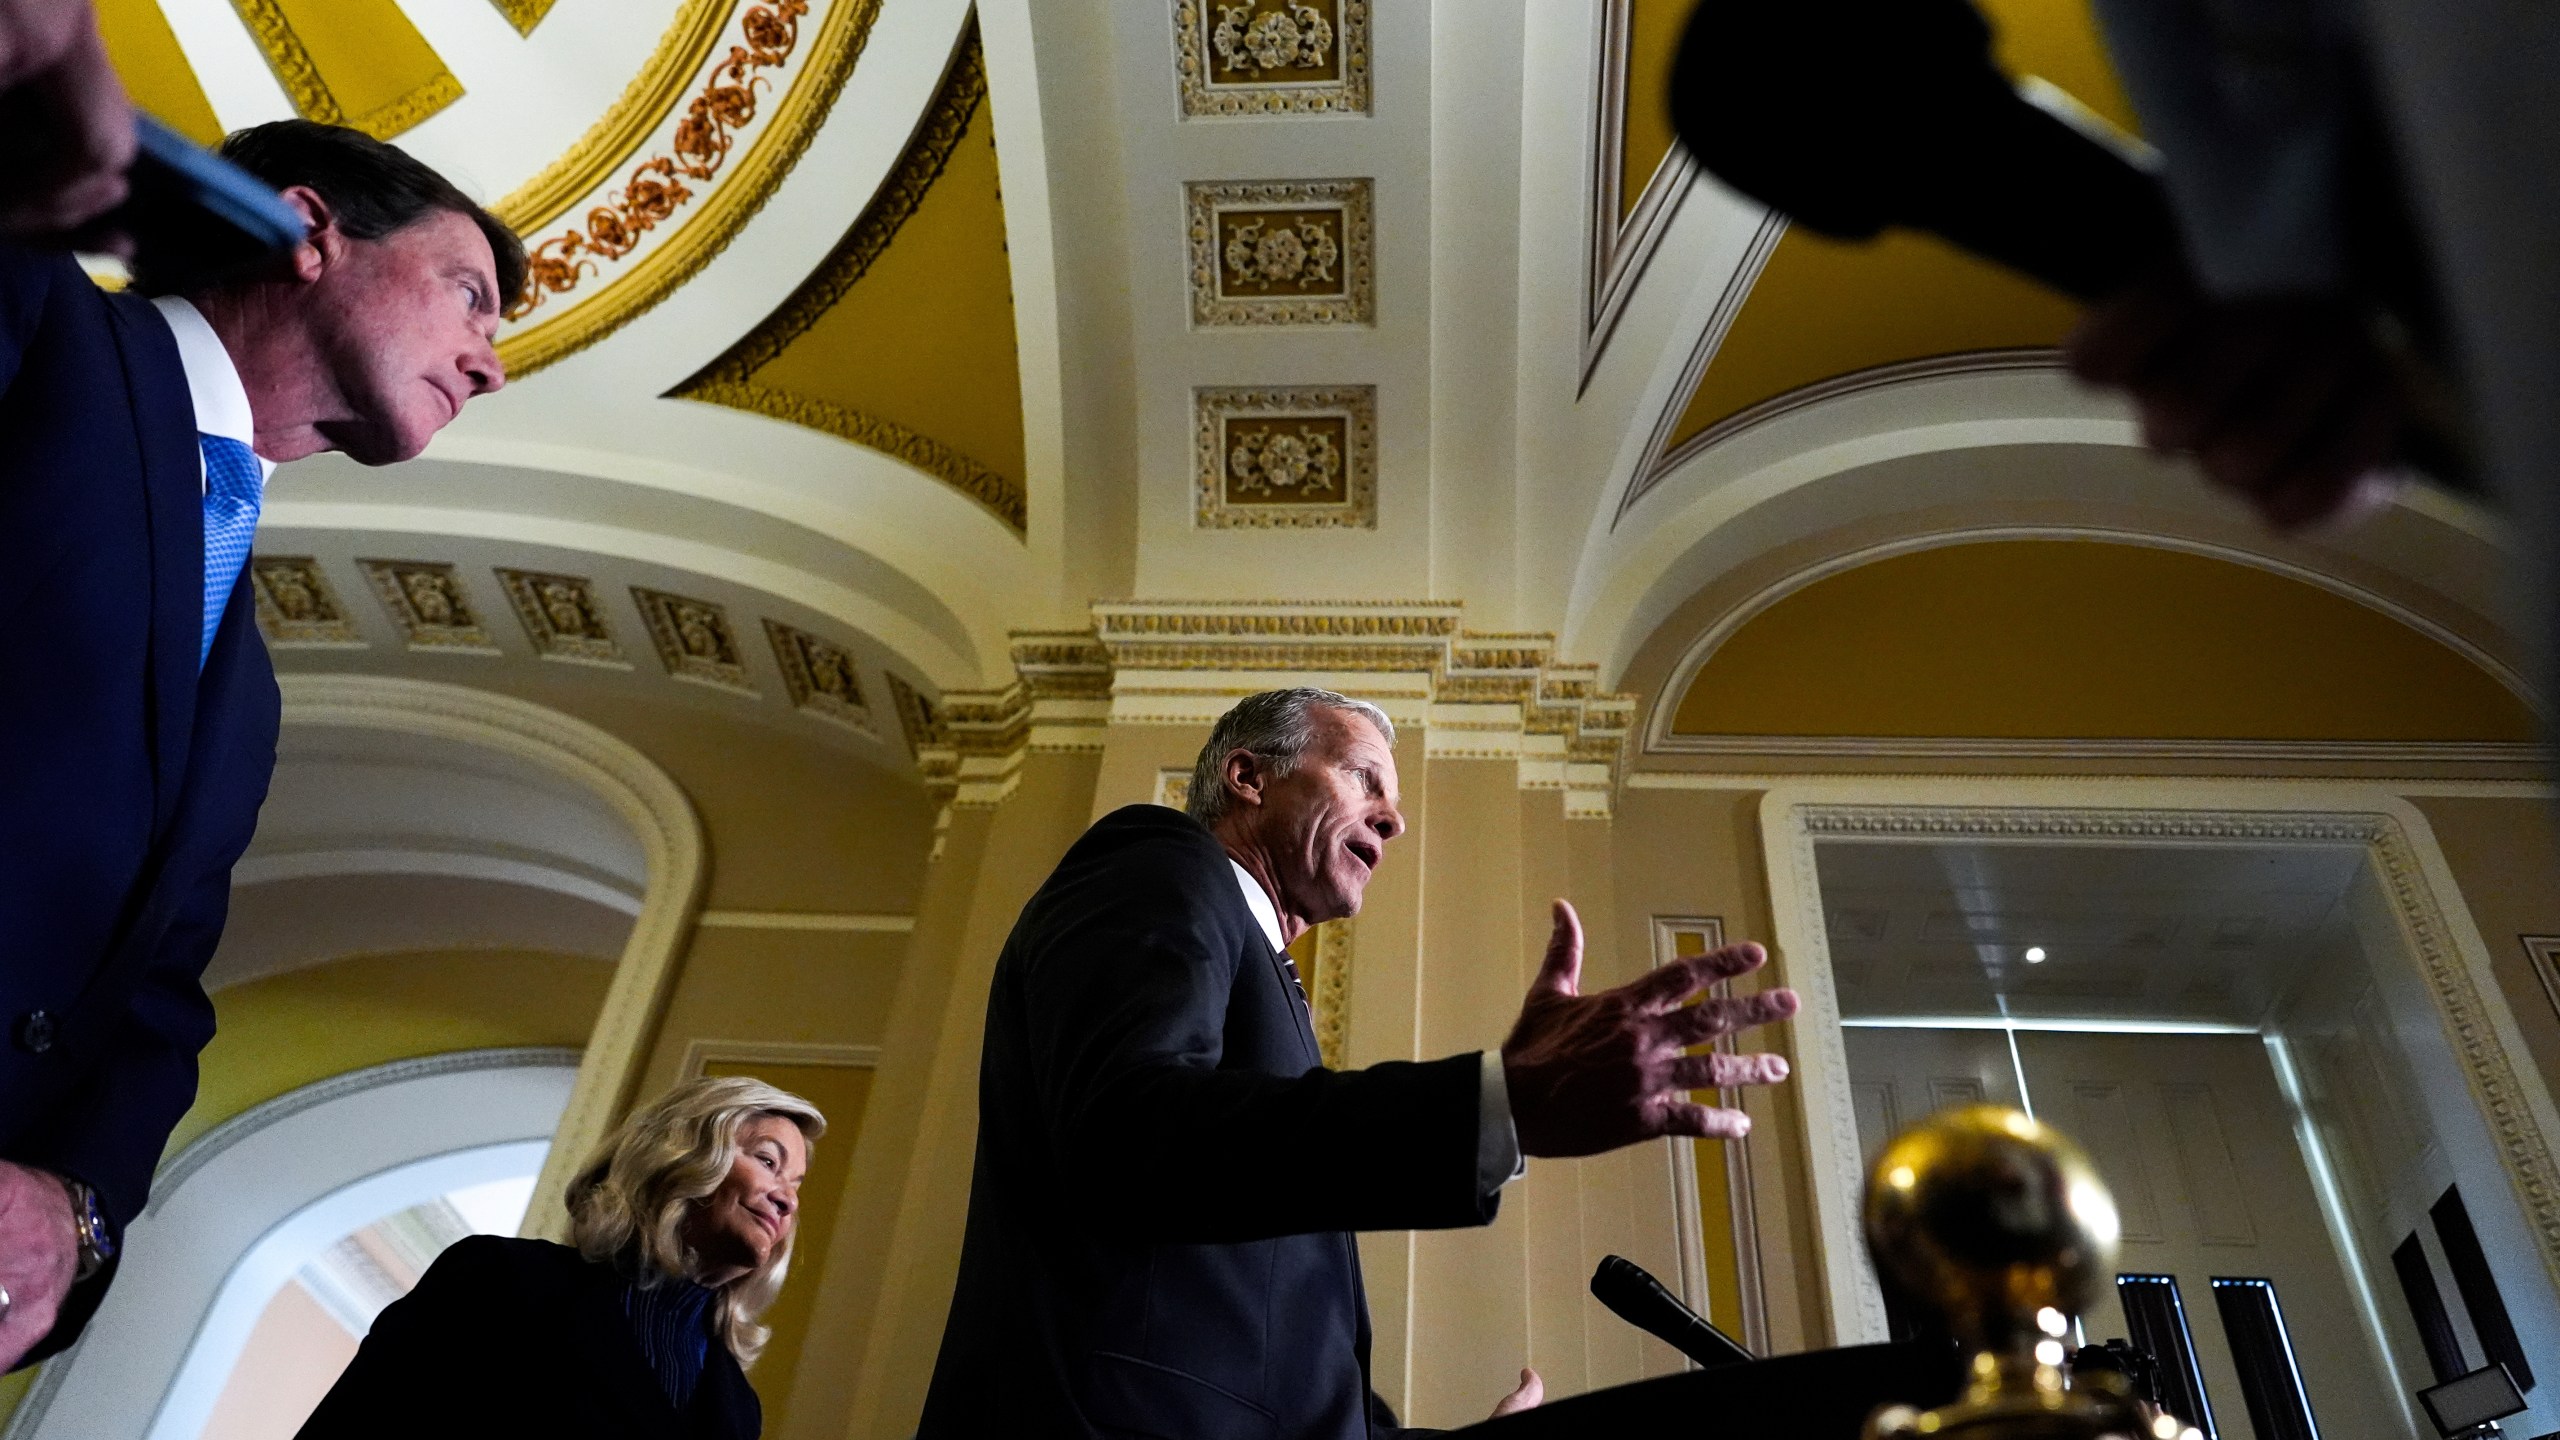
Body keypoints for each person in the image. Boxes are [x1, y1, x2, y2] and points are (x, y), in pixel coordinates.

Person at [919, 687, 1801, 1437]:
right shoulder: (1160, 867)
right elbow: (1127, 1136)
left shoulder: (1263, 981)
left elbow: (1279, 1354)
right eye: (1362, 777)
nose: (1395, 816)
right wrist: (1499, 1105)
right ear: (1248, 776)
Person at [0, 101, 521, 1367]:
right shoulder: (38, 317)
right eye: (467, 295)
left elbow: (158, 1001)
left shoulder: (249, 700)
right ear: (308, 231)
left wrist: (74, 1218)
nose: (491, 363)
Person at [297, 1075, 823, 1438]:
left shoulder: (736, 1405)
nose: (788, 1197)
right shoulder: (500, 1280)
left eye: (796, 1184)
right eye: (766, 1160)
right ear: (679, 1154)